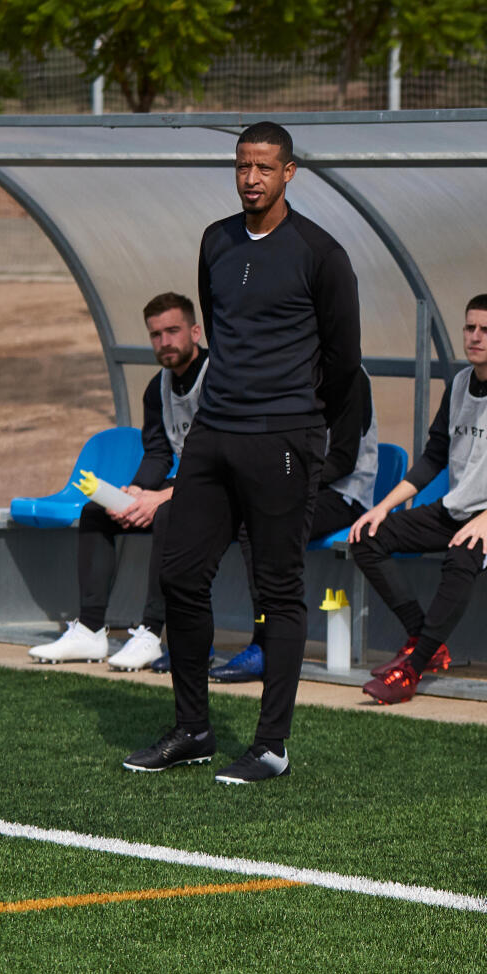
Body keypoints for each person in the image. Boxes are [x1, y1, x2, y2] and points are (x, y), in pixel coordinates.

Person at [123, 121, 362, 784]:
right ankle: (194, 729)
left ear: (289, 172)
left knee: (279, 589)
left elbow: (345, 362)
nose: (251, 178)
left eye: (263, 167)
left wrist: (300, 418)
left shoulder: (321, 251)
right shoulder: (216, 240)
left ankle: (271, 745)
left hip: (284, 437)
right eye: (241, 166)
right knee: (179, 570)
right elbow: (223, 326)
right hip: (214, 432)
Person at [349, 294, 487, 705]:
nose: (475, 337)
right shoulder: (460, 384)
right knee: (366, 538)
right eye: (469, 327)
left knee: (463, 553)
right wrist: (383, 507)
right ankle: (425, 643)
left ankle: (409, 671)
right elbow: (434, 457)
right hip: (460, 508)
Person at [28, 291, 208, 672]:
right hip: (185, 485)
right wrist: (138, 491)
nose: (165, 342)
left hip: (223, 489)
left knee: (167, 514)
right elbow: (159, 452)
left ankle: (150, 633)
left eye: (173, 331)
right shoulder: (156, 388)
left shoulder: (219, 379)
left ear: (195, 331)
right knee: (98, 511)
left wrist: (159, 499)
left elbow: (219, 462)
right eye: (156, 334)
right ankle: (91, 629)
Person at [206, 366, 382, 684]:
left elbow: (342, 459)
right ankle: (183, 632)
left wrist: (285, 482)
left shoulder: (350, 377)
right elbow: (287, 451)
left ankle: (268, 643)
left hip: (345, 495)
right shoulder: (288, 374)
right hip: (296, 488)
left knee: (262, 525)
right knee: (204, 514)